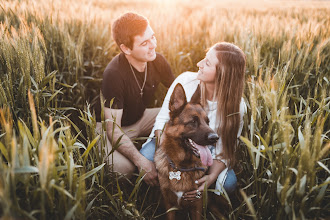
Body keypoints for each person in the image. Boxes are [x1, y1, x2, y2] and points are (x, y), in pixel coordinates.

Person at [140, 42, 247, 197]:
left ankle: (200, 198)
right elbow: (162, 122)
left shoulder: (237, 107)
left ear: (222, 74)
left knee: (228, 184)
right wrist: (174, 166)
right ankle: (164, 195)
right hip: (173, 141)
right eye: (204, 58)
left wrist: (209, 178)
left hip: (208, 150)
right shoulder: (185, 81)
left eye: (207, 63)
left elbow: (225, 150)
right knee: (146, 158)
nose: (199, 64)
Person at [95, 12, 175, 186]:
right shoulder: (114, 75)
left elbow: (179, 92)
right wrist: (141, 161)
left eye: (152, 37)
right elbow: (113, 129)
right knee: (124, 170)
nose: (153, 45)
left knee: (179, 118)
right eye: (144, 43)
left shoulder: (157, 60)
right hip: (110, 128)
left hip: (141, 118)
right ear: (126, 49)